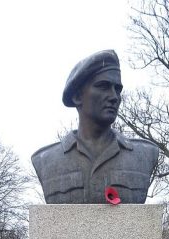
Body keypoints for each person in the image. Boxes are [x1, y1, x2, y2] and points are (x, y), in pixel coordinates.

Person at [32, 50, 158, 204]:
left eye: (117, 89)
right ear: (77, 97)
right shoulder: (46, 160)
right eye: (103, 86)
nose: (114, 97)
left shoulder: (145, 154)